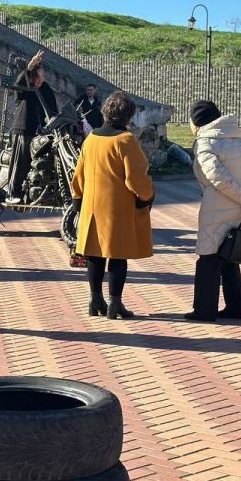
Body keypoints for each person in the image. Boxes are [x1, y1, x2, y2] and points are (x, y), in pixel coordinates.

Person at [71, 91, 154, 320]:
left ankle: (95, 299)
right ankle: (115, 303)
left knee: (95, 255)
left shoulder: (91, 139)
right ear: (128, 117)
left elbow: (78, 176)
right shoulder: (126, 140)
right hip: (117, 208)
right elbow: (136, 178)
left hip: (91, 206)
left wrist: (78, 201)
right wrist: (148, 195)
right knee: (118, 256)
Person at [184, 99, 241, 322]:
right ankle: (237, 307)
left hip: (216, 209)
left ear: (198, 121)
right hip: (239, 209)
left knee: (208, 259)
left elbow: (217, 177)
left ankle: (204, 310)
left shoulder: (205, 143)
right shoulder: (236, 140)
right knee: (229, 256)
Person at [7, 50, 58, 202]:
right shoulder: (26, 86)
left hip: (41, 132)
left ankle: (36, 191)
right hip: (24, 129)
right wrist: (29, 67)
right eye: (38, 76)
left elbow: (52, 109)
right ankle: (14, 193)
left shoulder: (45, 88)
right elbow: (20, 84)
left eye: (42, 77)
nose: (40, 80)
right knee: (20, 162)